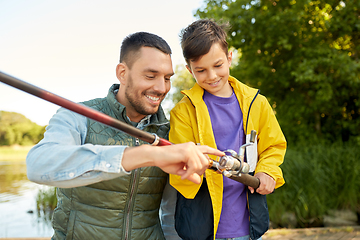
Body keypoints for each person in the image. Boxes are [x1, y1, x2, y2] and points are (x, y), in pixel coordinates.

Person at [26, 31, 224, 240]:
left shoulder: (171, 131)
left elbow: (170, 214)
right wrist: (148, 155)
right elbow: (38, 165)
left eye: (167, 78)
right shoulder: (78, 115)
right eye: (150, 76)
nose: (161, 87)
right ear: (122, 73)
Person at [169, 19, 287, 240]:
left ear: (229, 57)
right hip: (202, 227)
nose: (212, 76)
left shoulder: (257, 102)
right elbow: (178, 164)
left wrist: (267, 171)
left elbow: (274, 146)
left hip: (249, 227)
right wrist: (196, 165)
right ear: (189, 69)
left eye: (218, 65)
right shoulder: (182, 112)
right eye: (201, 70)